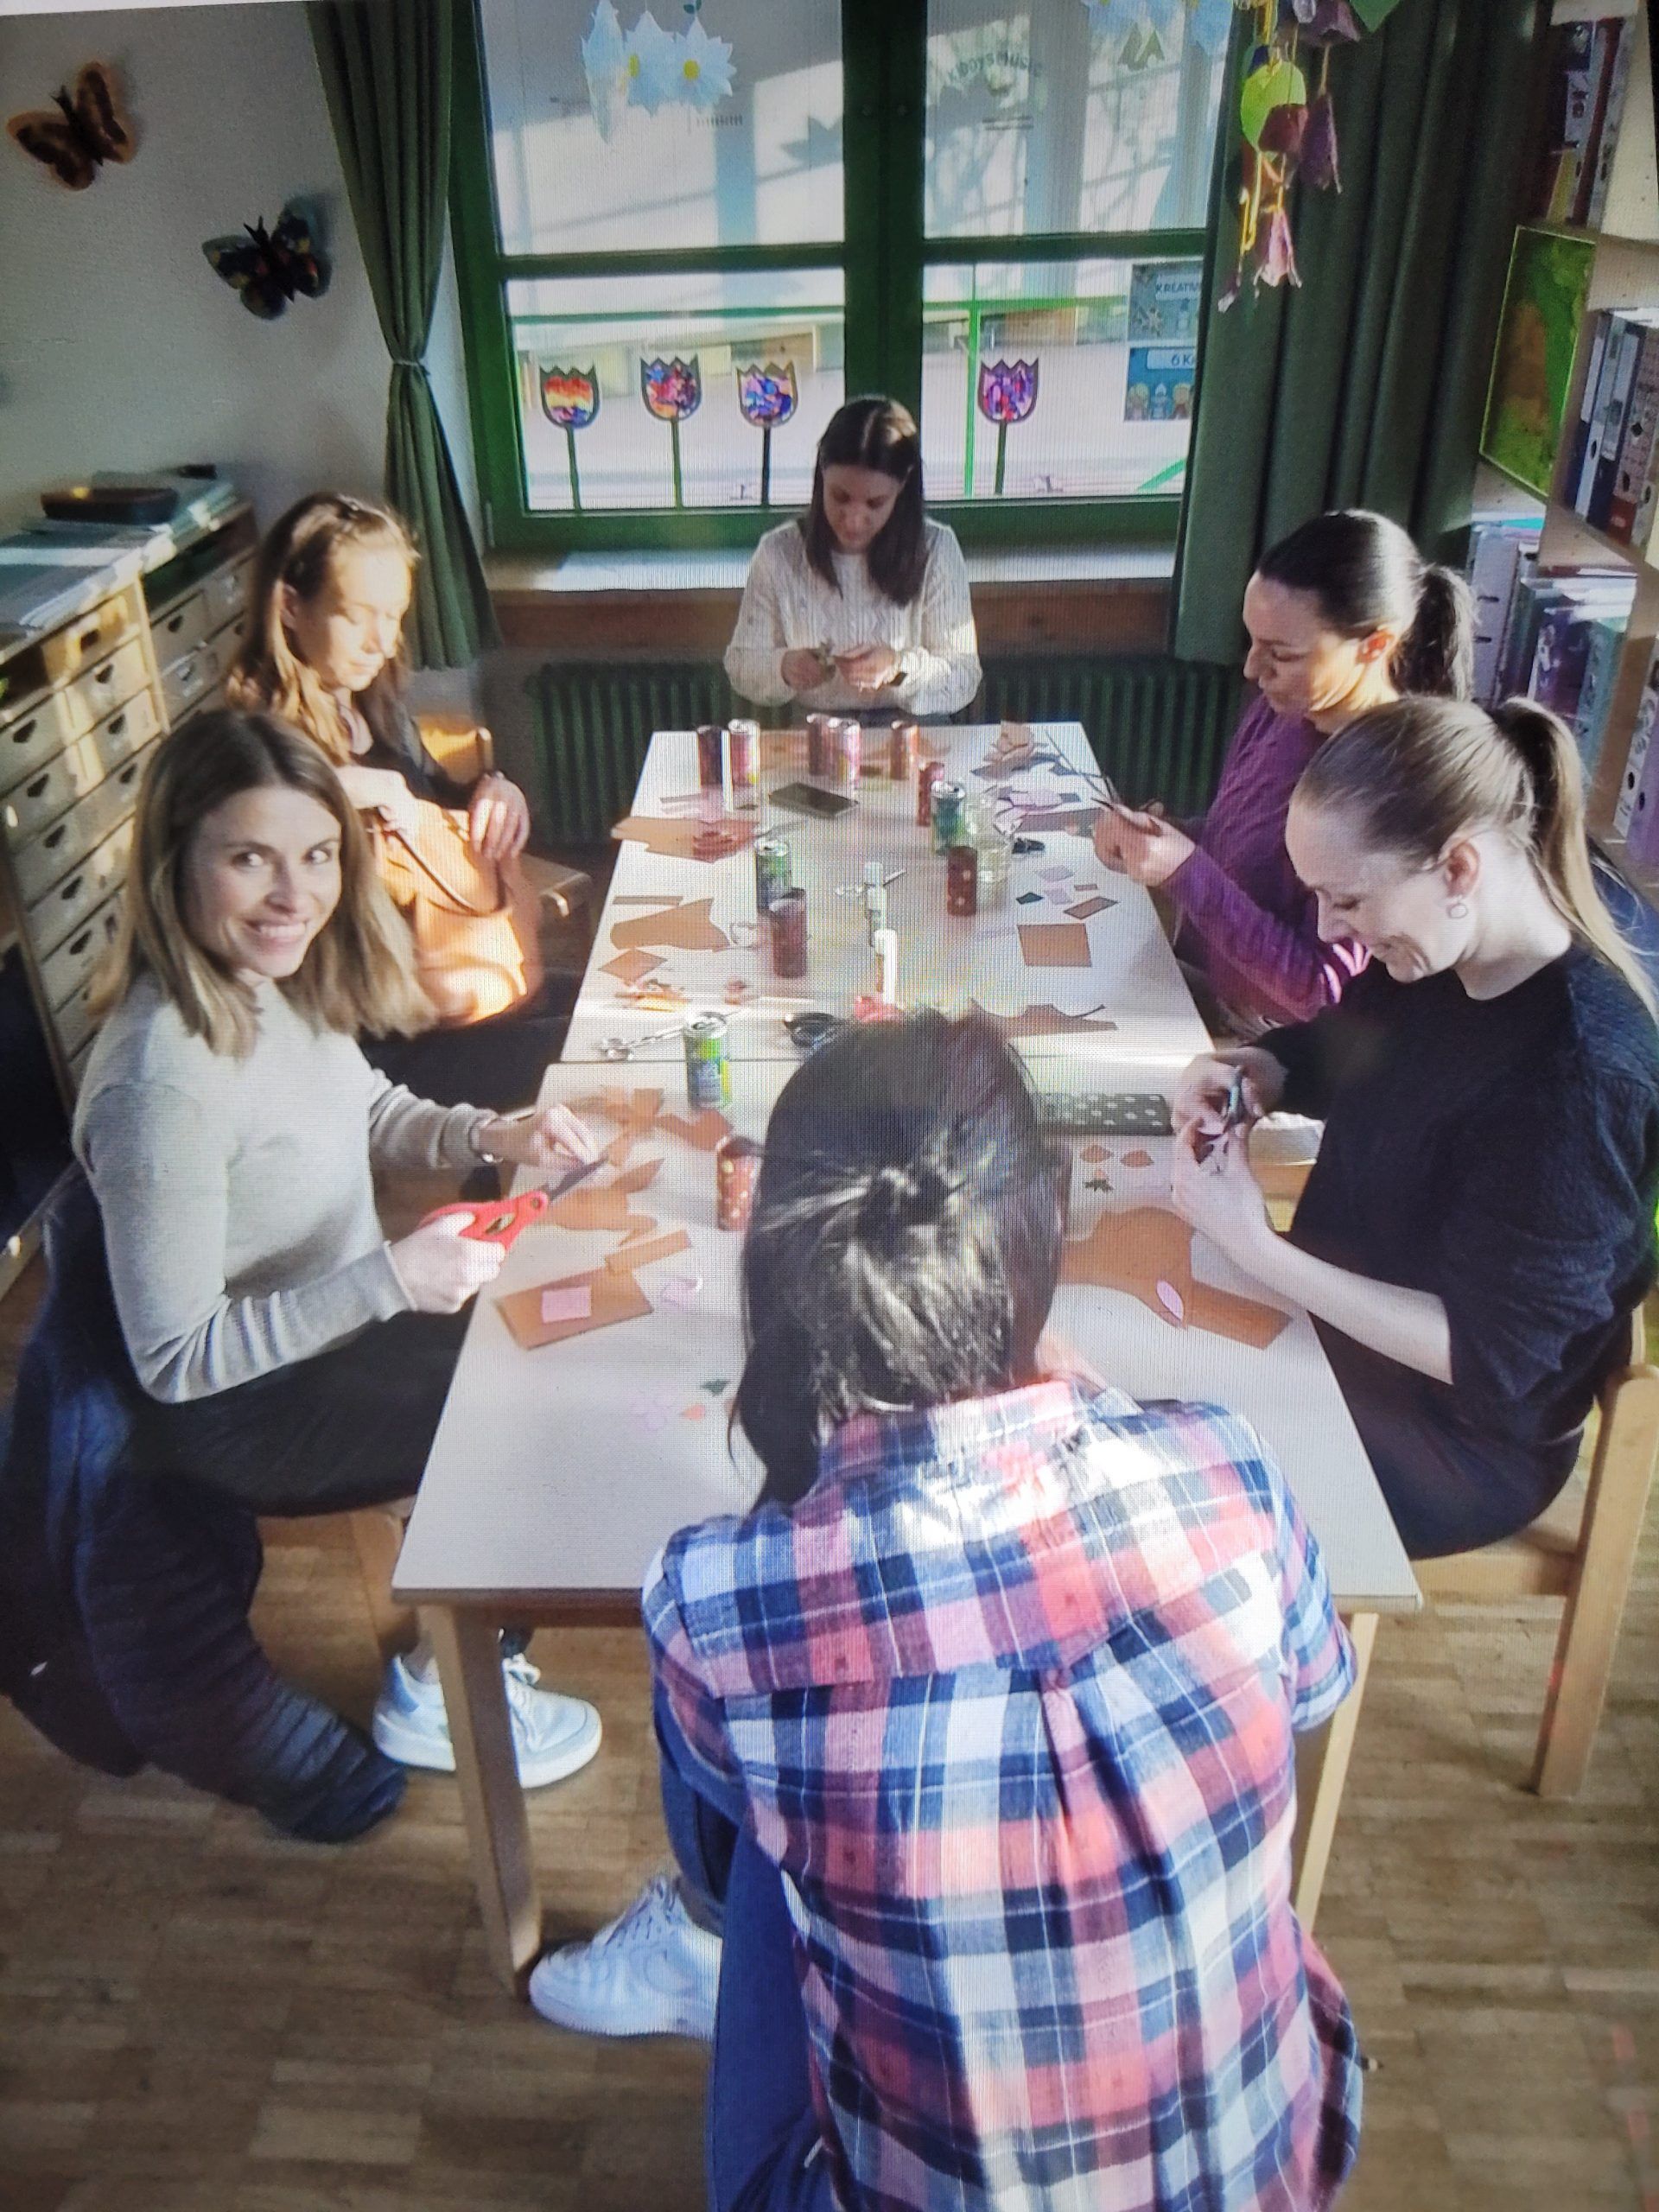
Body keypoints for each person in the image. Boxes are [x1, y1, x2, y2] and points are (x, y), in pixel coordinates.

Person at [530, 1013, 1363, 2212]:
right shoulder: (1227, 1463)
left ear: (786, 1263)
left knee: (768, 1849)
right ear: (1042, 1228)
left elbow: (730, 1812)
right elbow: (1315, 1691)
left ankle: (694, 1943)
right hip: (1269, 2166)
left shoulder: (712, 1602)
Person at [74, 708, 605, 1798]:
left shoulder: (270, 977)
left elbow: (361, 1106)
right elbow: (176, 1362)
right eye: (249, 859)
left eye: (316, 855)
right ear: (176, 862)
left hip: (343, 1320)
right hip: (245, 1403)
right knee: (533, 1413)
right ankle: (443, 1685)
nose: (294, 894)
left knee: (566, 1334)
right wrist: (393, 1277)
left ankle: (452, 1640)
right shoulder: (157, 1080)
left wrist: (490, 1133)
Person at [1168, 696, 1659, 1561]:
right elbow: (1345, 1046)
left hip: (1451, 1436)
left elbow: (1489, 1356)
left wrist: (1259, 1248)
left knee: (1147, 1483)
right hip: (1337, 1328)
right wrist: (1262, 1071)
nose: (1327, 928)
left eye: (1346, 899)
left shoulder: (1578, 1076)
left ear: (1459, 868)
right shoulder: (1434, 954)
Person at [226, 491, 567, 1108]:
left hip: (452, 996)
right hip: (379, 1045)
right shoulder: (254, 738)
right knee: (598, 1057)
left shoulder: (366, 705)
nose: (382, 642)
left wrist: (497, 788)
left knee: (617, 1010)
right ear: (290, 606)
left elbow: (442, 796)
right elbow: (254, 803)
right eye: (358, 615)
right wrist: (353, 786)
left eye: (395, 615)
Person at [1094, 509, 1475, 1032]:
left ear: (1375, 646)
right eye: (1252, 642)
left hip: (1275, 1040)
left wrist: (1184, 870)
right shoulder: (1285, 710)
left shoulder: (1389, 785)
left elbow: (1315, 990)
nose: (1252, 668)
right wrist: (1170, 838)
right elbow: (1254, 849)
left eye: (1281, 654)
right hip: (1211, 981)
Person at [724, 395, 982, 723]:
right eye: (840, 497)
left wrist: (897, 667)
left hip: (912, 730)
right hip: (817, 730)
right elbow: (741, 665)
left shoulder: (936, 549)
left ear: (902, 488)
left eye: (875, 503)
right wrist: (785, 667)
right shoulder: (779, 553)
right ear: (821, 477)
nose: (853, 520)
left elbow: (963, 676)